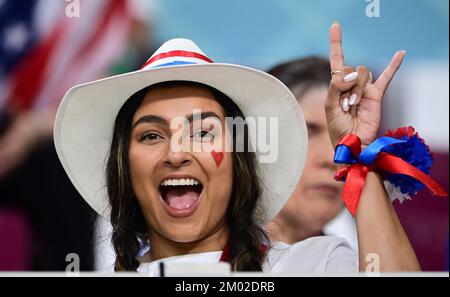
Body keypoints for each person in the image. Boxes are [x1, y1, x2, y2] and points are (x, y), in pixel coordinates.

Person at [54, 23, 420, 273]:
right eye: (151, 135)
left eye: (203, 132)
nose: (177, 152)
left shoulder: (313, 264)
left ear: (239, 165)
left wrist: (360, 153)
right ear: (125, 171)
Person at [266, 57, 357, 250]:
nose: (332, 159)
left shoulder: (354, 264)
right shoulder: (205, 261)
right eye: (308, 131)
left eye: (345, 138)